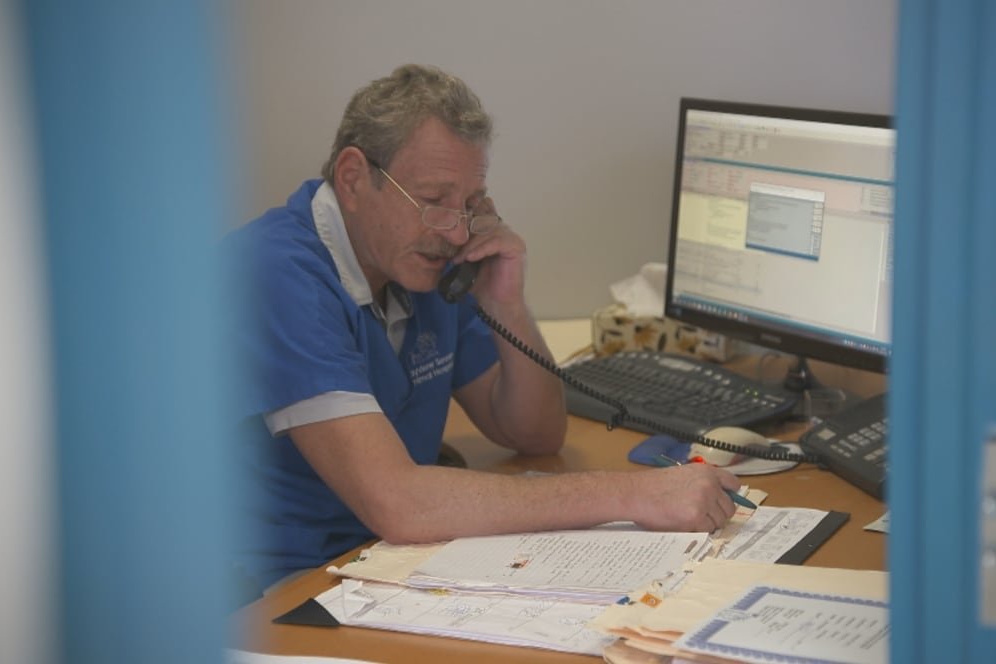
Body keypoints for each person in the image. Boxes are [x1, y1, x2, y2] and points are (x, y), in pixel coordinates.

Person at [226, 64, 745, 589]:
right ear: (354, 178)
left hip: (380, 558)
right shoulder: (276, 272)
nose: (455, 231)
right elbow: (398, 502)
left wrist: (505, 301)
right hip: (271, 584)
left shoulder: (424, 264)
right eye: (433, 201)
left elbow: (534, 433)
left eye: (471, 204)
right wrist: (635, 494)